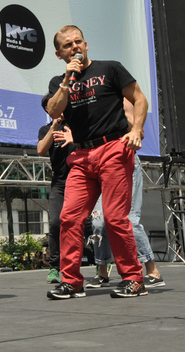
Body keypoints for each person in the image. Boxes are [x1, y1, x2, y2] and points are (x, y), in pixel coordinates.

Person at [45, 25, 149, 300]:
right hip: (80, 156)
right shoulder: (59, 82)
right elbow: (54, 110)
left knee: (114, 218)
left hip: (113, 148)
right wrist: (68, 80)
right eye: (67, 45)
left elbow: (139, 99)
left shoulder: (110, 69)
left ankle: (134, 278)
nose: (74, 47)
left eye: (78, 41)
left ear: (86, 44)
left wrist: (136, 129)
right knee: (69, 218)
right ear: (59, 54)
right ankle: (72, 281)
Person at [37, 93, 76, 284]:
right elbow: (41, 150)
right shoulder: (46, 129)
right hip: (59, 183)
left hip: (81, 180)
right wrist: (53, 127)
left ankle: (100, 262)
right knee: (54, 223)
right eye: (49, 104)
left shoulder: (75, 124)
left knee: (90, 225)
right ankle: (54, 267)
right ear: (48, 109)